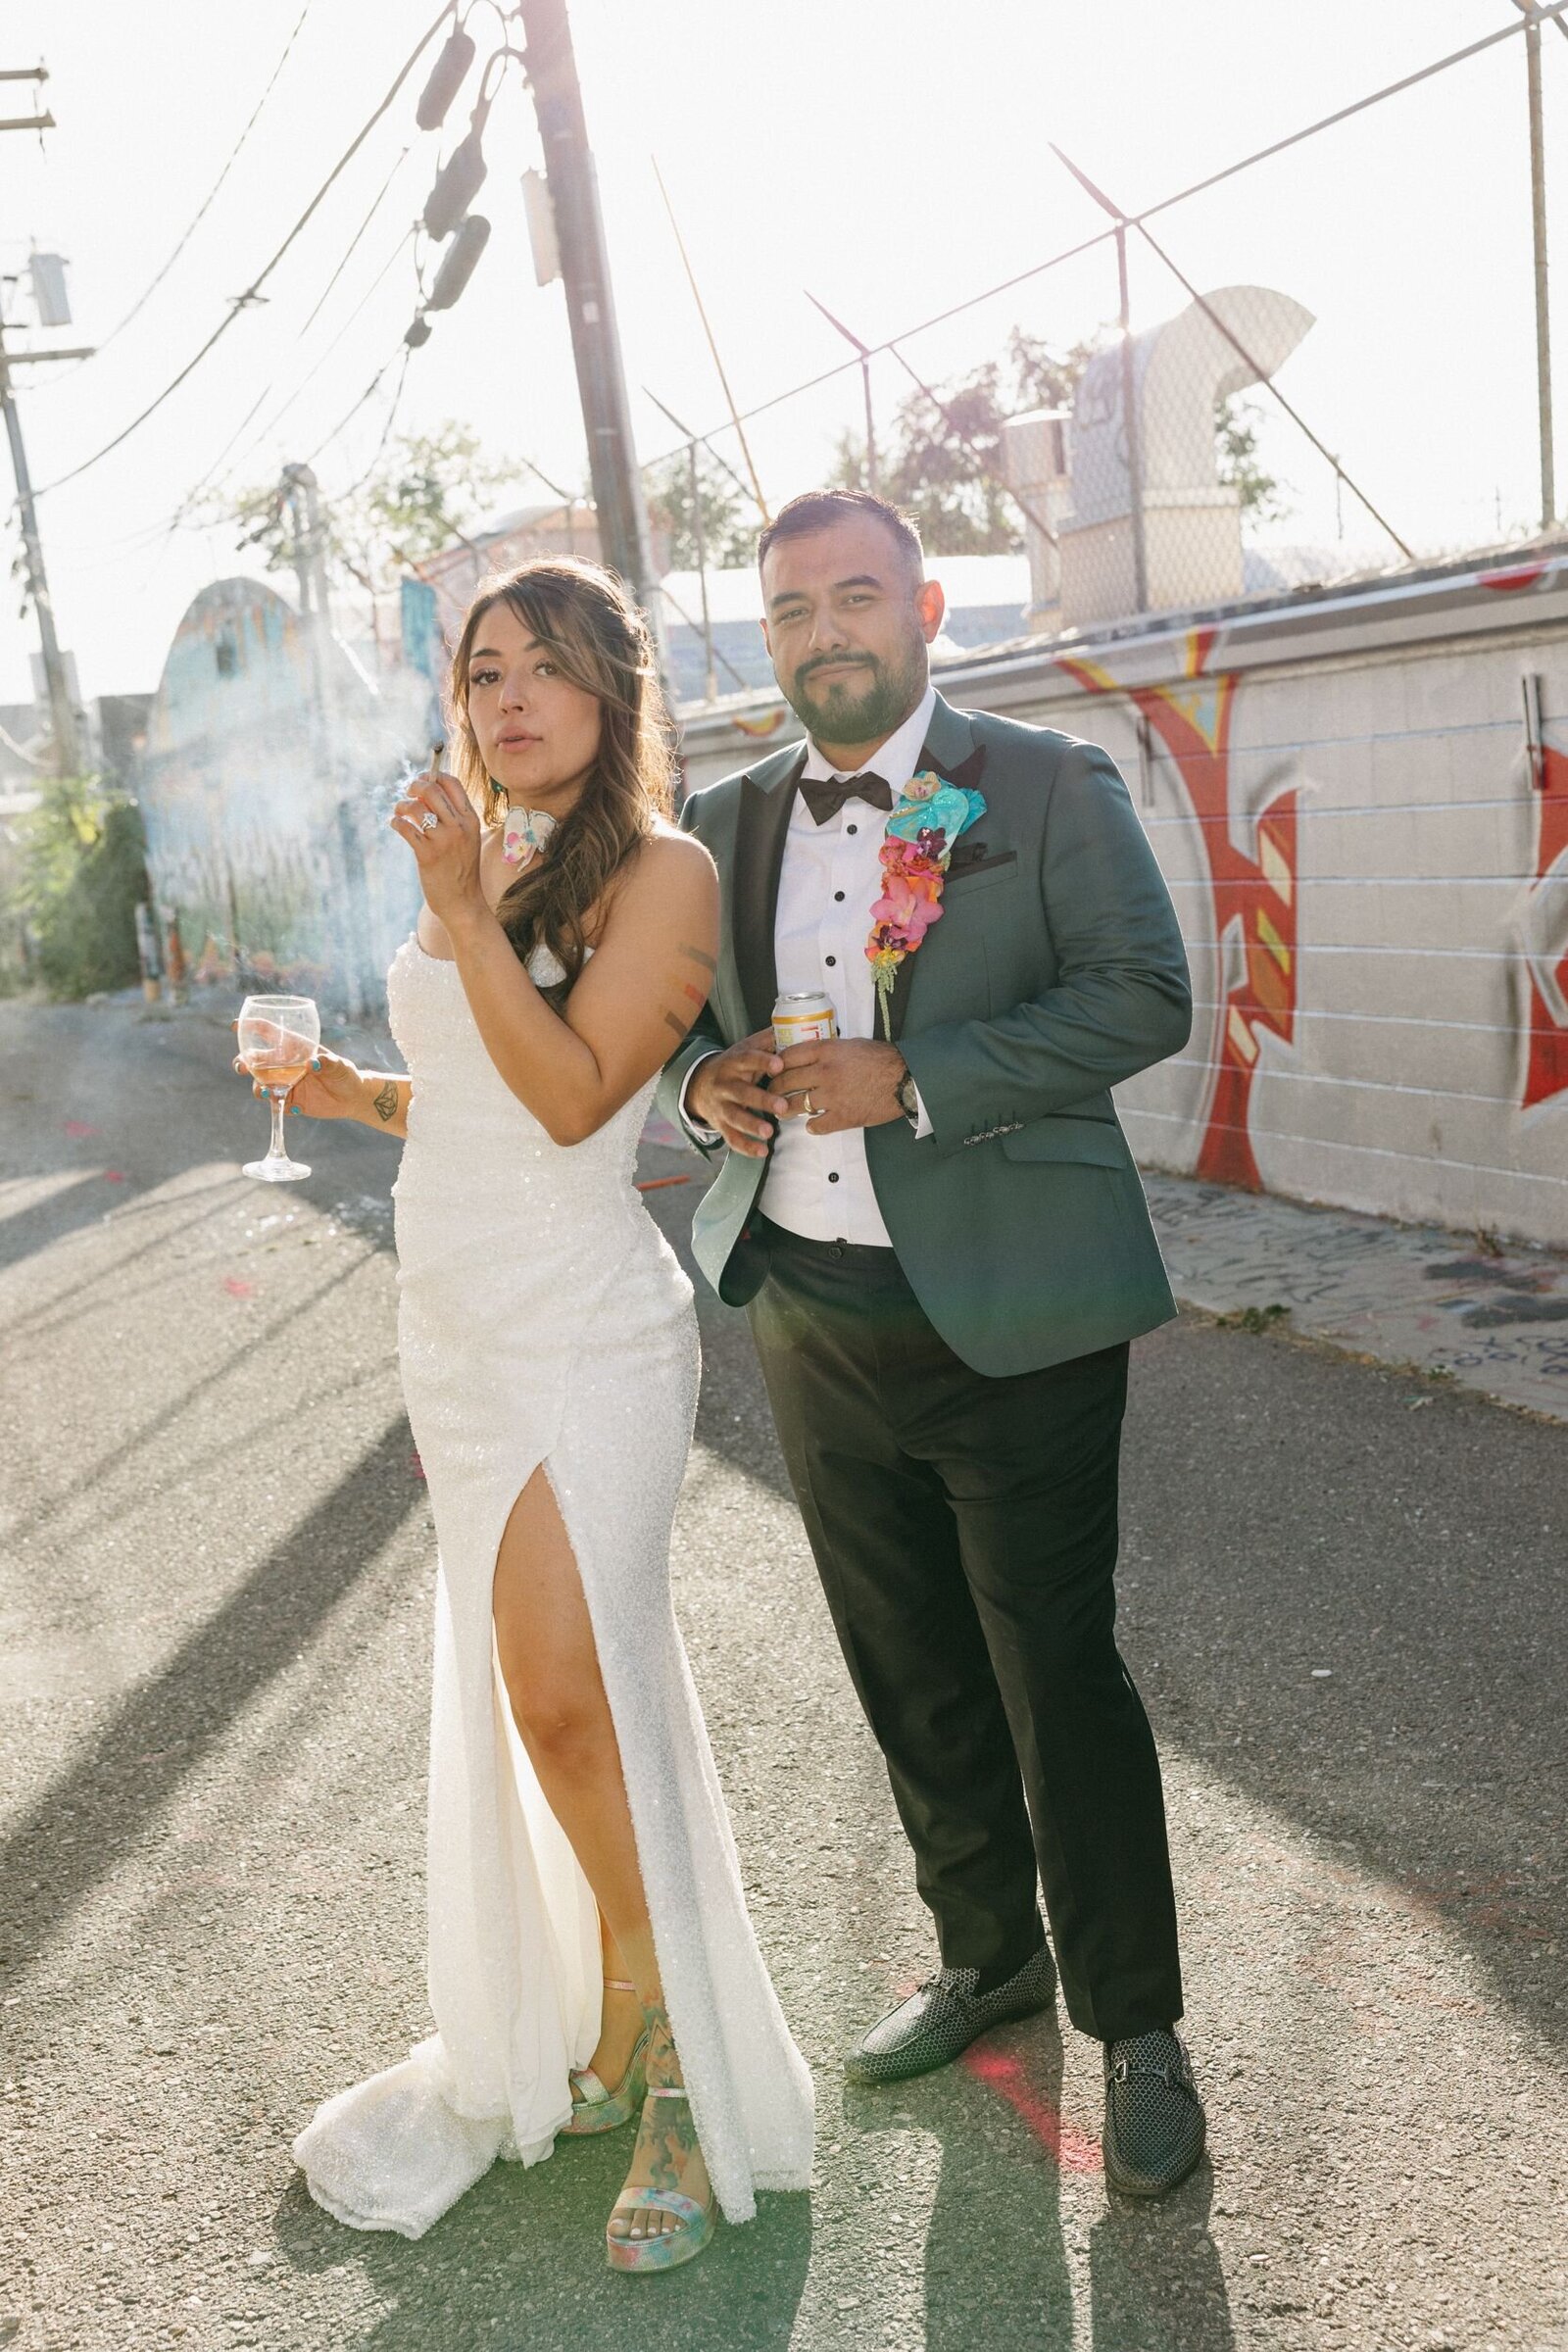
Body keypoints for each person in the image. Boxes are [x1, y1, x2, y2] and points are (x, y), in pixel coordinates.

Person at [241, 557, 812, 2269]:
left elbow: (574, 1105)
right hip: (461, 1336)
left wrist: (466, 916)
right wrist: (353, 1092)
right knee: (530, 1699)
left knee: (579, 1698)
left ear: (610, 690)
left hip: (586, 1334)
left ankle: (687, 2082)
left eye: (543, 669)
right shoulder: (481, 862)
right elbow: (482, 1097)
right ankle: (627, 2005)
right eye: (482, 670)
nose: (504, 702)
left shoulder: (666, 872)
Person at [658, 489, 1206, 2199]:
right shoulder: (719, 818)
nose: (827, 630)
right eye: (793, 606)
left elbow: (1145, 993)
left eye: (858, 596)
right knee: (906, 1664)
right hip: (813, 1312)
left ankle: (1137, 2027)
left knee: (1058, 1669)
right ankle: (987, 1953)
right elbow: (680, 1022)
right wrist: (706, 1082)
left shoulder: (1040, 784)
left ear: (926, 606)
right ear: (767, 632)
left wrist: (924, 1078)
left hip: (1021, 1310)